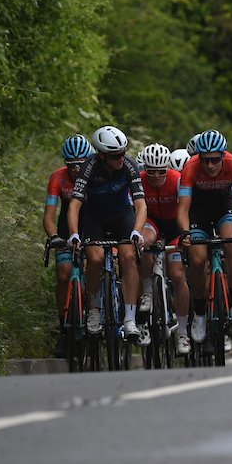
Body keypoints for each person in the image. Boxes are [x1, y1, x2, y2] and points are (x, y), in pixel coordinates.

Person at [66, 125, 148, 339]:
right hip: (95, 218)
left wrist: (137, 232)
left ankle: (129, 318)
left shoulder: (129, 166)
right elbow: (75, 205)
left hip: (122, 215)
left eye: (123, 153)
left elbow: (140, 205)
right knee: (94, 259)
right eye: (115, 156)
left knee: (129, 256)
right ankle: (94, 309)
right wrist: (74, 234)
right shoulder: (89, 167)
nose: (120, 159)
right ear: (101, 155)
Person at [177, 129, 232, 343]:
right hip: (198, 212)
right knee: (198, 260)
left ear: (223, 155)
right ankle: (200, 312)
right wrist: (185, 232)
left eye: (214, 160)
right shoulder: (190, 168)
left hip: (224, 208)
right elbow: (183, 209)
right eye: (205, 160)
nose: (209, 165)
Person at [137, 142, 191, 356]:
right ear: (145, 169)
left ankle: (183, 332)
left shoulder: (177, 180)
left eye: (162, 171)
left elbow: (187, 209)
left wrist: (186, 236)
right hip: (152, 223)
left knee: (178, 275)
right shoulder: (139, 181)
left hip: (174, 226)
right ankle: (148, 292)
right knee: (144, 242)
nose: (157, 176)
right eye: (152, 171)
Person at [44, 133, 92, 355]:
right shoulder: (58, 178)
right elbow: (49, 216)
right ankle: (64, 327)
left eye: (80, 165)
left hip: (92, 227)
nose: (75, 170)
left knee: (96, 270)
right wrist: (54, 236)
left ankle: (97, 314)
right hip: (66, 229)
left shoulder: (96, 177)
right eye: (71, 165)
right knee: (63, 274)